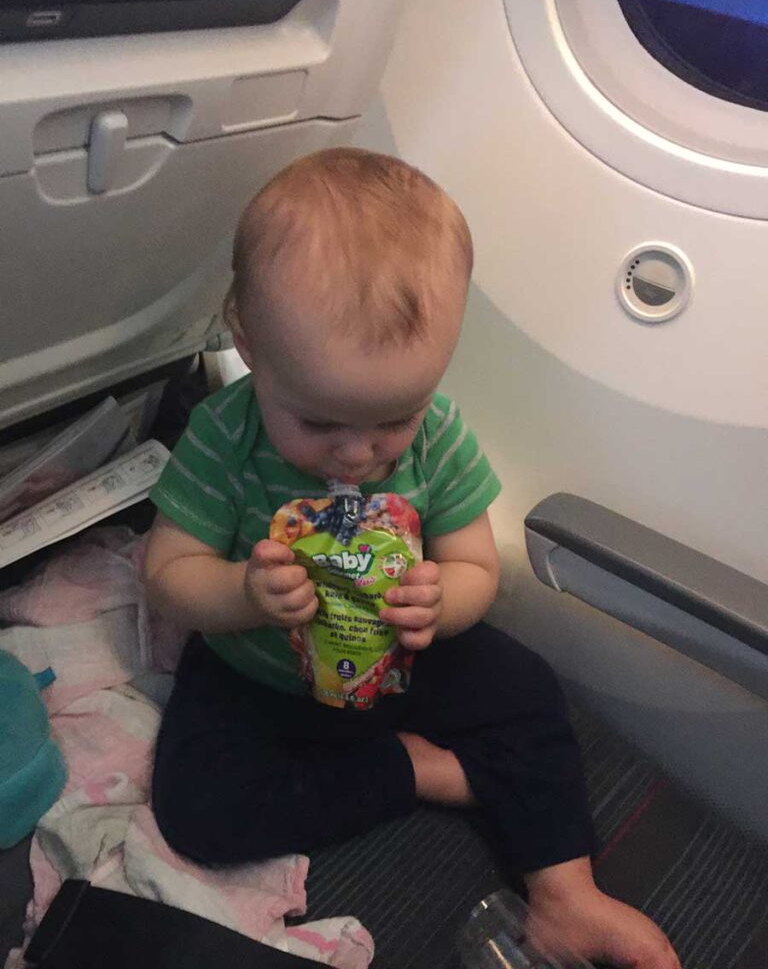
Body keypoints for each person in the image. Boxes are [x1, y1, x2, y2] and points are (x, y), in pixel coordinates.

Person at [144, 148, 679, 969]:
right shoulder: (226, 435)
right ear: (251, 349)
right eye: (320, 423)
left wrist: (443, 602)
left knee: (529, 690)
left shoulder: (437, 436)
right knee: (197, 812)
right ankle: (416, 773)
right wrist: (243, 594)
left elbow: (473, 566)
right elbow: (168, 577)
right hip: (259, 670)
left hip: (403, 660)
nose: (356, 453)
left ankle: (568, 894)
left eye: (392, 419)